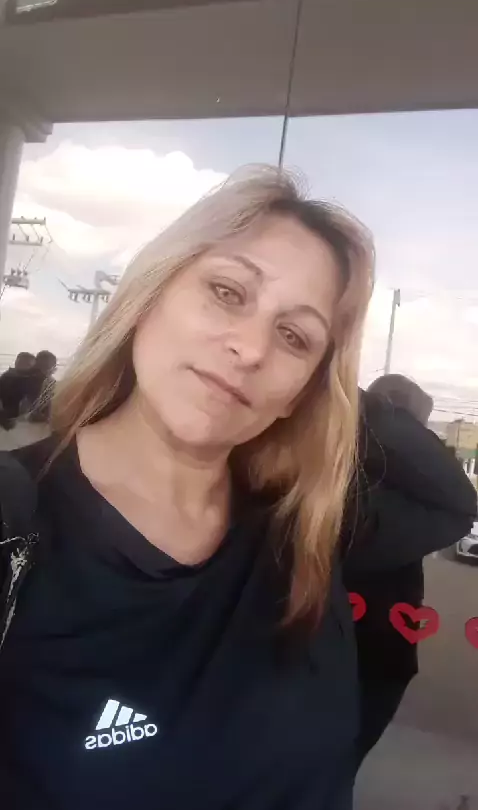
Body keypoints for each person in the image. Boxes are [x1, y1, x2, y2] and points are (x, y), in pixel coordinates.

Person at [0, 166, 475, 810]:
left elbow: (449, 501)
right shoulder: (14, 522)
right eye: (227, 292)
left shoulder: (302, 529)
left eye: (293, 337)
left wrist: (331, 390)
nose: (251, 349)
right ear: (148, 295)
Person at [343, 374, 476, 765]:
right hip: (371, 658)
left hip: (353, 657)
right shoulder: (396, 494)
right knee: (336, 764)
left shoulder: (327, 472)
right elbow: (462, 504)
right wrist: (383, 416)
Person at [0, 352, 36, 428]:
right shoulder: (6, 377)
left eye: (27, 364)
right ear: (16, 362)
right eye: (20, 363)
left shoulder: (31, 379)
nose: (22, 366)